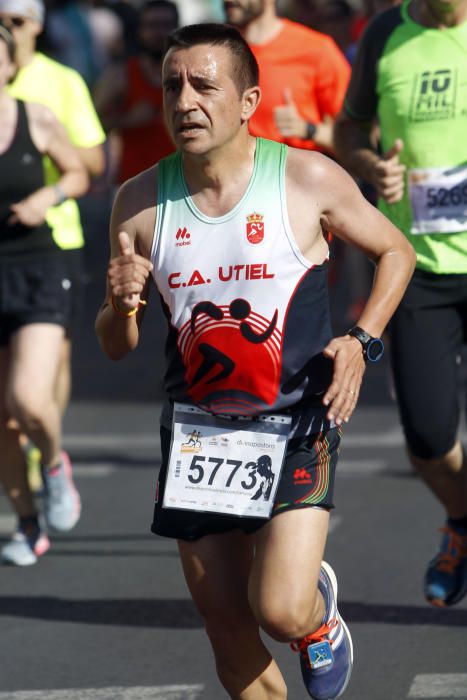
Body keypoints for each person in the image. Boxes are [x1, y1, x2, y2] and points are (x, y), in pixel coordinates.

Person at [95, 23, 415, 700]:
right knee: (227, 626)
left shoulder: (304, 176)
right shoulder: (137, 203)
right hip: (197, 433)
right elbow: (116, 342)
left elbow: (395, 251)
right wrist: (121, 307)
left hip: (297, 418)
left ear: (247, 101)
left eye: (204, 86)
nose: (185, 101)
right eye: (172, 86)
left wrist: (361, 342)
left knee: (278, 609)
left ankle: (314, 617)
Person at [334, 0, 467, 608]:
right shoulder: (388, 30)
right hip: (416, 263)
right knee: (429, 437)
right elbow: (349, 129)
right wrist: (369, 166)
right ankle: (462, 520)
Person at [0, 0, 105, 489]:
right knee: (10, 396)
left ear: (36, 26)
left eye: (15, 21)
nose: (8, 29)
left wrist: (44, 156)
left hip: (52, 240)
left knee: (46, 366)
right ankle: (25, 469)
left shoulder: (59, 83)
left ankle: (46, 458)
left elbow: (93, 161)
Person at [223, 0, 351, 154]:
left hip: (293, 173)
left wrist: (308, 129)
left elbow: (355, 141)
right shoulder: (213, 52)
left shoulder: (317, 50)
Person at [93, 0, 178, 185]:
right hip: (133, 185)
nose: (160, 33)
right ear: (140, 31)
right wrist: (128, 120)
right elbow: (89, 125)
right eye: (152, 25)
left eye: (166, 25)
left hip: (180, 183)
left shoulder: (189, 75)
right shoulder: (120, 75)